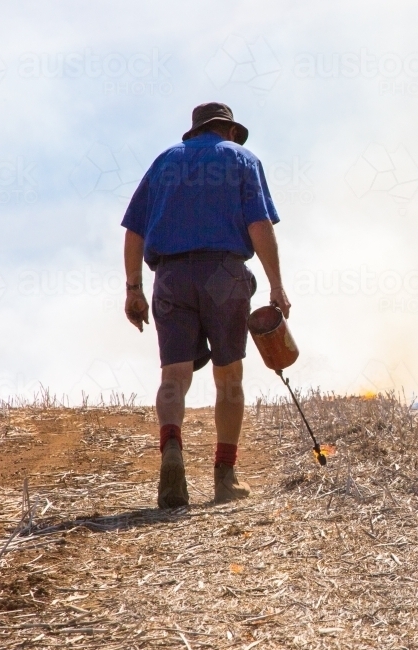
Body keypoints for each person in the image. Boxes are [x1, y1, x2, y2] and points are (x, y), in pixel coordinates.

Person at [121, 102, 291, 508]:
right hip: (222, 274)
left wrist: (133, 289)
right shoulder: (242, 159)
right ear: (228, 131)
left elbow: (133, 230)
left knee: (174, 377)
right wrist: (276, 286)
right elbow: (259, 225)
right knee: (228, 376)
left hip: (171, 278)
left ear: (195, 131)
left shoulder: (164, 162)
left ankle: (172, 451)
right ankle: (225, 476)